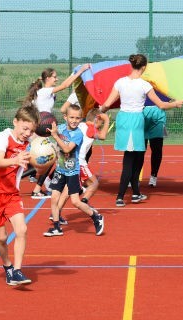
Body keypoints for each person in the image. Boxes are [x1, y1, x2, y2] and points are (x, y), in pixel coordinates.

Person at [99, 54, 182, 207]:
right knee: (130, 159)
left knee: (137, 158)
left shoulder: (120, 82)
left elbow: (107, 104)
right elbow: (162, 105)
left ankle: (136, 193)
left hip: (123, 119)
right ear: (144, 67)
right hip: (135, 120)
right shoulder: (144, 85)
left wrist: (98, 113)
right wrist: (176, 104)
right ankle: (120, 196)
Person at [0, 105, 40, 285]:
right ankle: (7, 266)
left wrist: (44, 160)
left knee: (22, 229)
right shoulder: (3, 137)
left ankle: (18, 271)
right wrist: (16, 159)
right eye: (25, 128)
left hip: (11, 193)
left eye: (31, 130)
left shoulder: (28, 143)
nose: (27, 133)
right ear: (15, 122)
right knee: (2, 237)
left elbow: (38, 153)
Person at [27, 65, 90, 199]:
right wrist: (80, 71)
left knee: (50, 158)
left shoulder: (44, 93)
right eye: (55, 77)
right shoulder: (44, 91)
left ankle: (41, 186)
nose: (57, 79)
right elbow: (66, 85)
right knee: (48, 158)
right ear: (48, 78)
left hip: (43, 129)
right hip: (42, 129)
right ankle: (37, 187)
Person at [43, 104, 105, 237]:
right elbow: (48, 132)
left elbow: (66, 149)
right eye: (71, 117)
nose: (74, 120)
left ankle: (96, 216)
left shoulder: (78, 134)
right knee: (54, 198)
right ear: (65, 117)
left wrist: (55, 136)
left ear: (81, 119)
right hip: (60, 170)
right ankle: (56, 228)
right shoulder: (60, 128)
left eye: (77, 118)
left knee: (75, 201)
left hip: (72, 172)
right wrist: (43, 129)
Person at [77, 108, 110, 205]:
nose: (101, 125)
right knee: (94, 183)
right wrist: (107, 120)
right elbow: (103, 136)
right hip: (80, 162)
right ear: (97, 119)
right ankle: (84, 202)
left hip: (72, 159)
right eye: (101, 122)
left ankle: (56, 211)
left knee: (82, 184)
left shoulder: (81, 125)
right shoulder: (91, 128)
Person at [142, 105, 167, 188]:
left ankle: (153, 176)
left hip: (158, 117)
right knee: (138, 151)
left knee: (157, 151)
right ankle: (133, 177)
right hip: (141, 114)